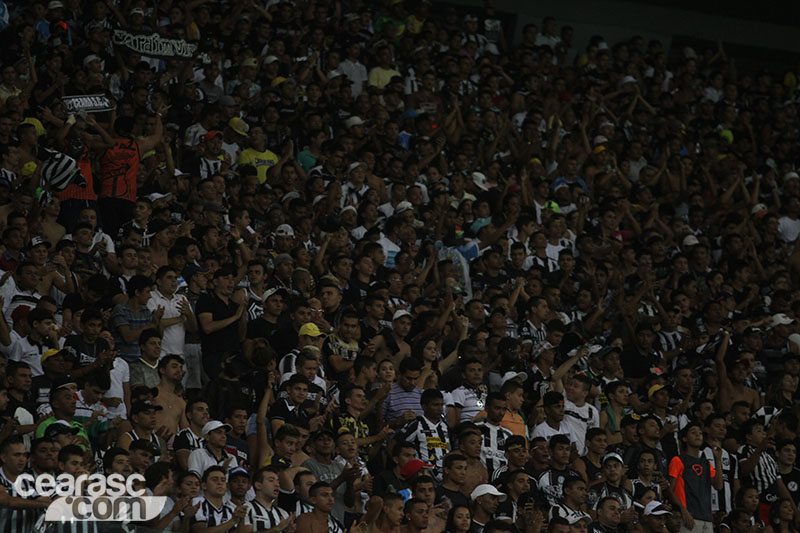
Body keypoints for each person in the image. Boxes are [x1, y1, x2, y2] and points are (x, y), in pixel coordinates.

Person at [668, 423, 722, 533]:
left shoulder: (706, 463)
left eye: (700, 433)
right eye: (693, 432)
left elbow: (718, 485)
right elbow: (669, 490)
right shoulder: (678, 460)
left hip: (706, 517)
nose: (698, 435)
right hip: (688, 516)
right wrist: (683, 510)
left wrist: (718, 459)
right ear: (684, 438)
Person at [400, 388, 451, 481]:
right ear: (424, 407)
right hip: (422, 476)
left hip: (445, 476)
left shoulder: (445, 426)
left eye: (441, 404)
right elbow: (395, 445)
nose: (440, 408)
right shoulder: (416, 424)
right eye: (435, 405)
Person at [241, 466, 295, 533]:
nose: (277, 485)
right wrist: (276, 529)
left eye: (278, 481)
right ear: (258, 485)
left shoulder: (283, 513)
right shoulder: (246, 508)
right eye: (271, 480)